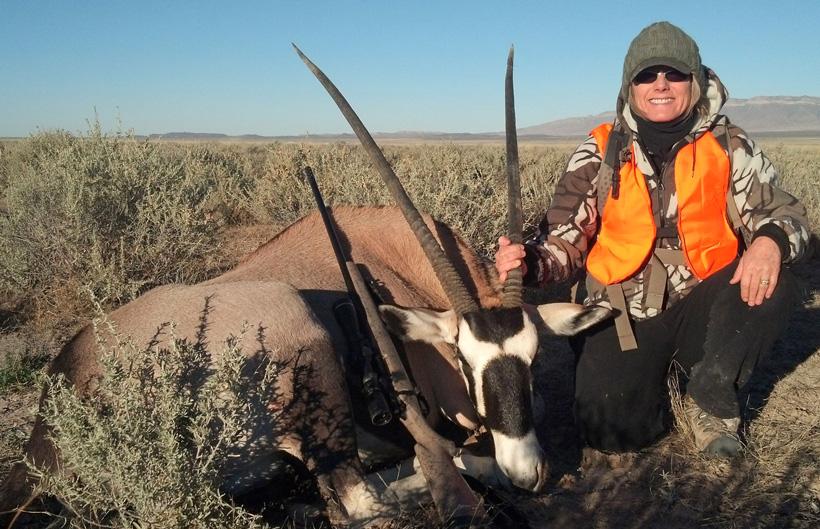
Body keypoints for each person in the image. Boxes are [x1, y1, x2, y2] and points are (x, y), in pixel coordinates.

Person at [495, 21, 810, 457]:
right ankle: (663, 382)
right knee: (610, 432)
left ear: (695, 82)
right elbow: (565, 240)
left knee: (773, 274)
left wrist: (770, 241)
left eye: (674, 74)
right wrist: (531, 262)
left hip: (705, 306)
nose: (660, 85)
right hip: (620, 314)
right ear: (630, 86)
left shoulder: (731, 143)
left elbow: (786, 215)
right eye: (646, 75)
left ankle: (712, 395)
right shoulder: (599, 149)